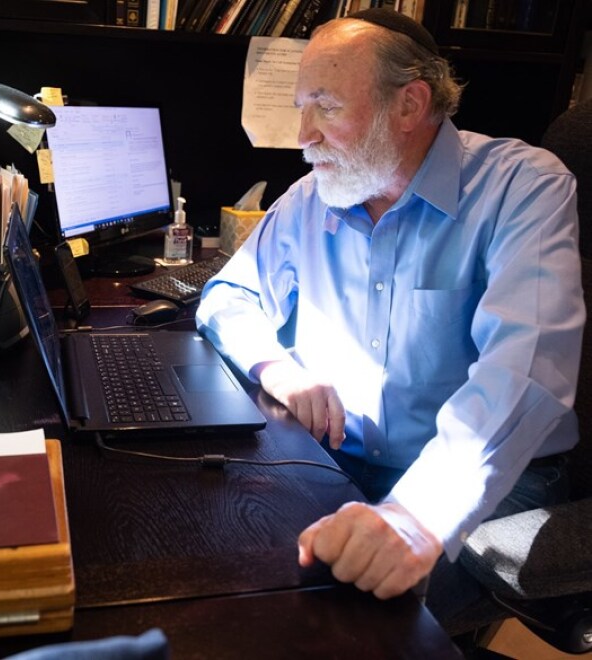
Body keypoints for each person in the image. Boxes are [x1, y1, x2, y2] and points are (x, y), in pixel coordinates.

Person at [195, 8, 584, 634]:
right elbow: (224, 296)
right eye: (301, 107)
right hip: (340, 463)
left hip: (490, 489)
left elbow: (526, 372)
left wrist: (415, 515)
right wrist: (280, 370)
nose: (303, 135)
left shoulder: (523, 187)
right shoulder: (310, 196)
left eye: (325, 106)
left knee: (330, 625)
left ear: (409, 104)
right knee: (226, 566)